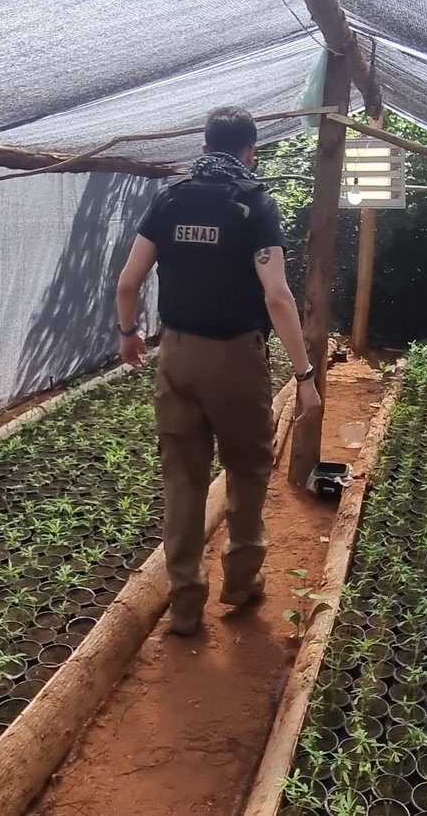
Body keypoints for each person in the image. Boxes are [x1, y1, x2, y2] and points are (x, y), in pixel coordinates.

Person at [114, 107, 321, 637]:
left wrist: (128, 332)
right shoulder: (255, 206)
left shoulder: (170, 201)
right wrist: (304, 375)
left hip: (177, 355)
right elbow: (276, 296)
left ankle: (184, 605)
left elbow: (127, 282)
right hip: (235, 359)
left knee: (182, 481)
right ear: (250, 150)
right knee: (247, 471)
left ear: (204, 147)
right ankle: (241, 584)